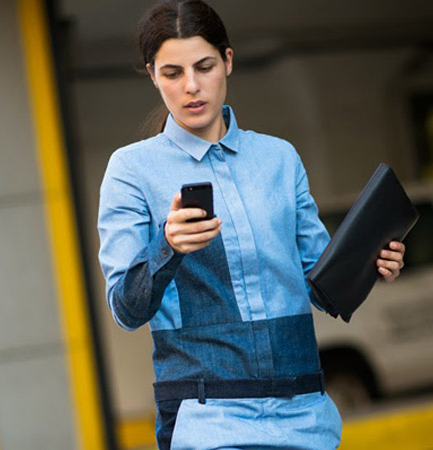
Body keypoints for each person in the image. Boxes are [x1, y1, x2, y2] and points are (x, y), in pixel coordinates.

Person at [97, 1, 406, 448]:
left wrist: (374, 262)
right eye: (172, 73)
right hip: (208, 418)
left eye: (204, 66)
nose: (191, 87)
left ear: (228, 60)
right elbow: (125, 309)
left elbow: (324, 287)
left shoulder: (279, 158)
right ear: (152, 75)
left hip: (303, 409)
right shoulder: (131, 170)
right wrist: (167, 247)